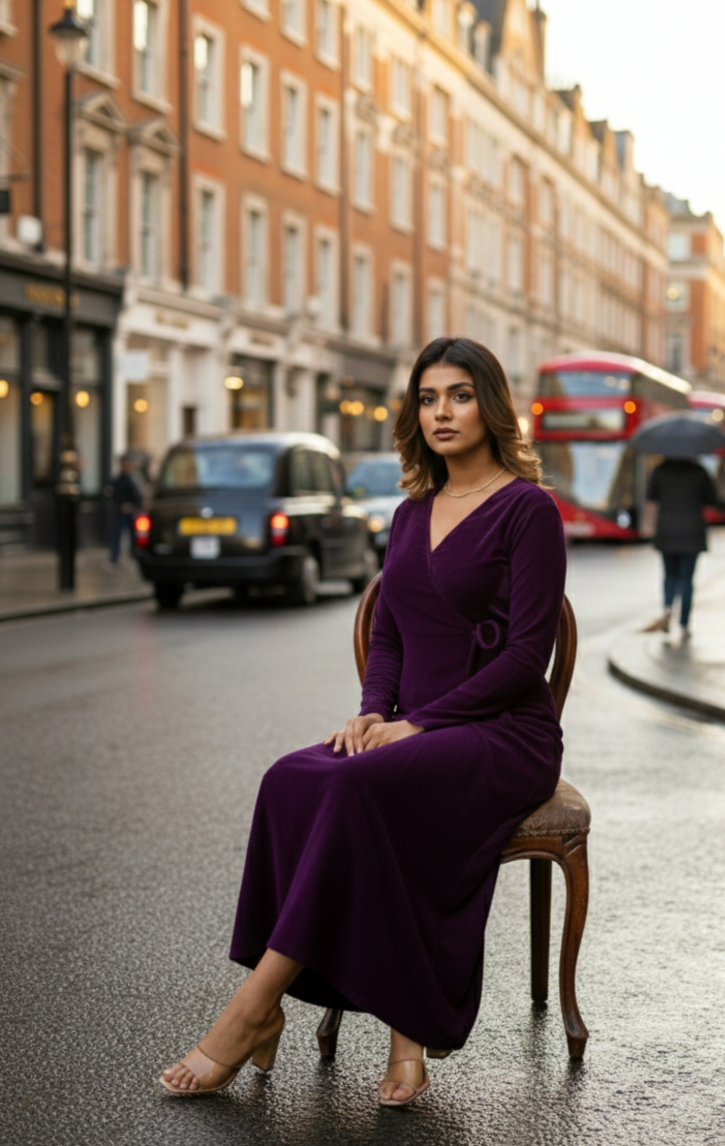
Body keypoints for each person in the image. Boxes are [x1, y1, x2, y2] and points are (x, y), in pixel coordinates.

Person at [159, 338, 567, 1106]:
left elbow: (525, 658)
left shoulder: (528, 509)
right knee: (290, 778)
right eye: (427, 397)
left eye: (459, 395)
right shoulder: (412, 513)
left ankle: (252, 1010)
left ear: (491, 404)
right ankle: (388, 1032)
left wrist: (419, 725)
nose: (441, 412)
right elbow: (390, 634)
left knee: (361, 790)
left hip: (504, 734)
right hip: (414, 724)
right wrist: (374, 710)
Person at [646, 456, 717, 638]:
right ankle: (684, 624)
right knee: (687, 579)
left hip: (667, 529)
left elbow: (651, 496)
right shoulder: (699, 471)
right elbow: (712, 499)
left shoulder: (660, 470)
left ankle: (668, 609)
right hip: (692, 531)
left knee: (669, 575)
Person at [104, 455, 143, 567]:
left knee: (133, 535)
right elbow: (111, 493)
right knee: (117, 534)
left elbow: (138, 496)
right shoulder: (117, 479)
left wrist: (133, 506)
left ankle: (133, 556)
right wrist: (120, 505)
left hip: (132, 512)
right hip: (120, 512)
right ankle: (114, 558)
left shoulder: (134, 478)